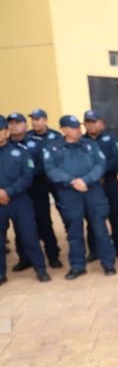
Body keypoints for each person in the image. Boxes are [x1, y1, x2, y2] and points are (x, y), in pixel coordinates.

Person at [43, 115, 117, 280]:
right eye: (73, 127)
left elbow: (101, 165)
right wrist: (71, 181)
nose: (78, 130)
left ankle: (108, 263)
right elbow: (51, 170)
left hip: (93, 191)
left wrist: (86, 180)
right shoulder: (53, 148)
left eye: (78, 127)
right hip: (69, 194)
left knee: (100, 229)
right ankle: (77, 266)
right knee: (74, 232)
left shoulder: (90, 145)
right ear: (63, 129)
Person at [0, 114, 51, 285]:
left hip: (20, 200)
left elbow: (27, 176)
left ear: (6, 132)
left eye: (1, 130)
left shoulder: (21, 151)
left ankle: (41, 269)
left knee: (30, 236)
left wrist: (8, 192)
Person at [9, 112, 62, 270]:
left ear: (25, 125)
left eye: (17, 123)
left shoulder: (35, 143)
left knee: (44, 223)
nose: (14, 126)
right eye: (11, 123)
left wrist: (27, 174)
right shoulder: (6, 146)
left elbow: (43, 165)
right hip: (17, 192)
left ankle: (53, 256)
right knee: (20, 227)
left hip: (37, 188)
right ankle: (25, 258)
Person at [83, 110, 118, 260]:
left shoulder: (111, 139)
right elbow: (82, 163)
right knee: (92, 218)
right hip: (91, 185)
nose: (91, 125)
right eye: (88, 122)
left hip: (109, 183)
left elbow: (116, 161)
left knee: (115, 215)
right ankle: (94, 250)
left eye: (94, 121)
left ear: (101, 123)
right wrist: (93, 177)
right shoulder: (81, 142)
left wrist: (100, 174)